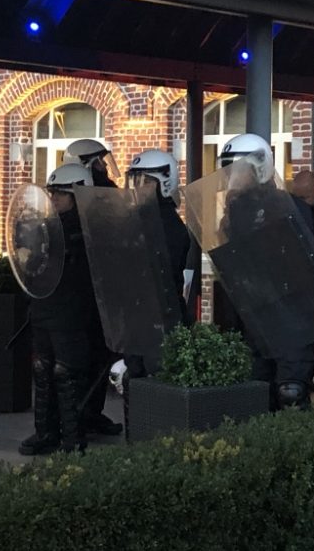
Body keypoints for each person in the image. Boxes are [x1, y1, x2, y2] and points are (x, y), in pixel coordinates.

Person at [217, 133, 314, 410]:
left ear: (259, 167)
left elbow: (303, 261)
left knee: (291, 393)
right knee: (253, 393)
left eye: (235, 170)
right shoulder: (234, 211)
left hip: (292, 314)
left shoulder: (289, 206)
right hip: (254, 316)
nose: (230, 178)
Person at [19, 163, 96, 455]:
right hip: (43, 307)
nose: (53, 200)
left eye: (61, 195)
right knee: (42, 369)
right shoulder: (46, 227)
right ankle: (45, 432)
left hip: (70, 311)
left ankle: (73, 437)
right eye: (51, 194)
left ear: (78, 196)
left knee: (67, 373)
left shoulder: (87, 230)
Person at [122, 149, 191, 434]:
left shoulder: (169, 225)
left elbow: (162, 273)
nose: (138, 188)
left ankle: (153, 441)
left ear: (164, 181)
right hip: (138, 312)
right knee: (133, 377)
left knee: (155, 381)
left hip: (160, 315)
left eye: (144, 181)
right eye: (135, 181)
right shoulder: (138, 218)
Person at [65, 137, 122, 437]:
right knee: (82, 357)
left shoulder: (105, 194)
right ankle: (78, 413)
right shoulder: (72, 199)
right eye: (98, 162)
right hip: (82, 292)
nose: (104, 167)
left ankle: (93, 411)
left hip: (105, 287)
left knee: (101, 352)